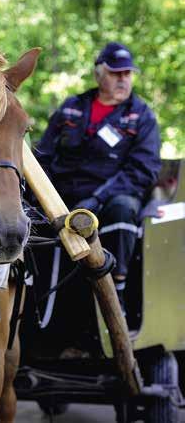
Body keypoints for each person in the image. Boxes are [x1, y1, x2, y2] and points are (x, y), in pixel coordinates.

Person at [35, 42, 161, 313]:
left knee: (122, 209)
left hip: (108, 199)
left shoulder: (141, 116)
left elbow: (143, 170)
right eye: (116, 73)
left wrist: (97, 198)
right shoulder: (71, 107)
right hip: (61, 196)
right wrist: (38, 193)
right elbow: (42, 156)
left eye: (127, 73)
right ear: (98, 74)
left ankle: (117, 297)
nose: (123, 79)